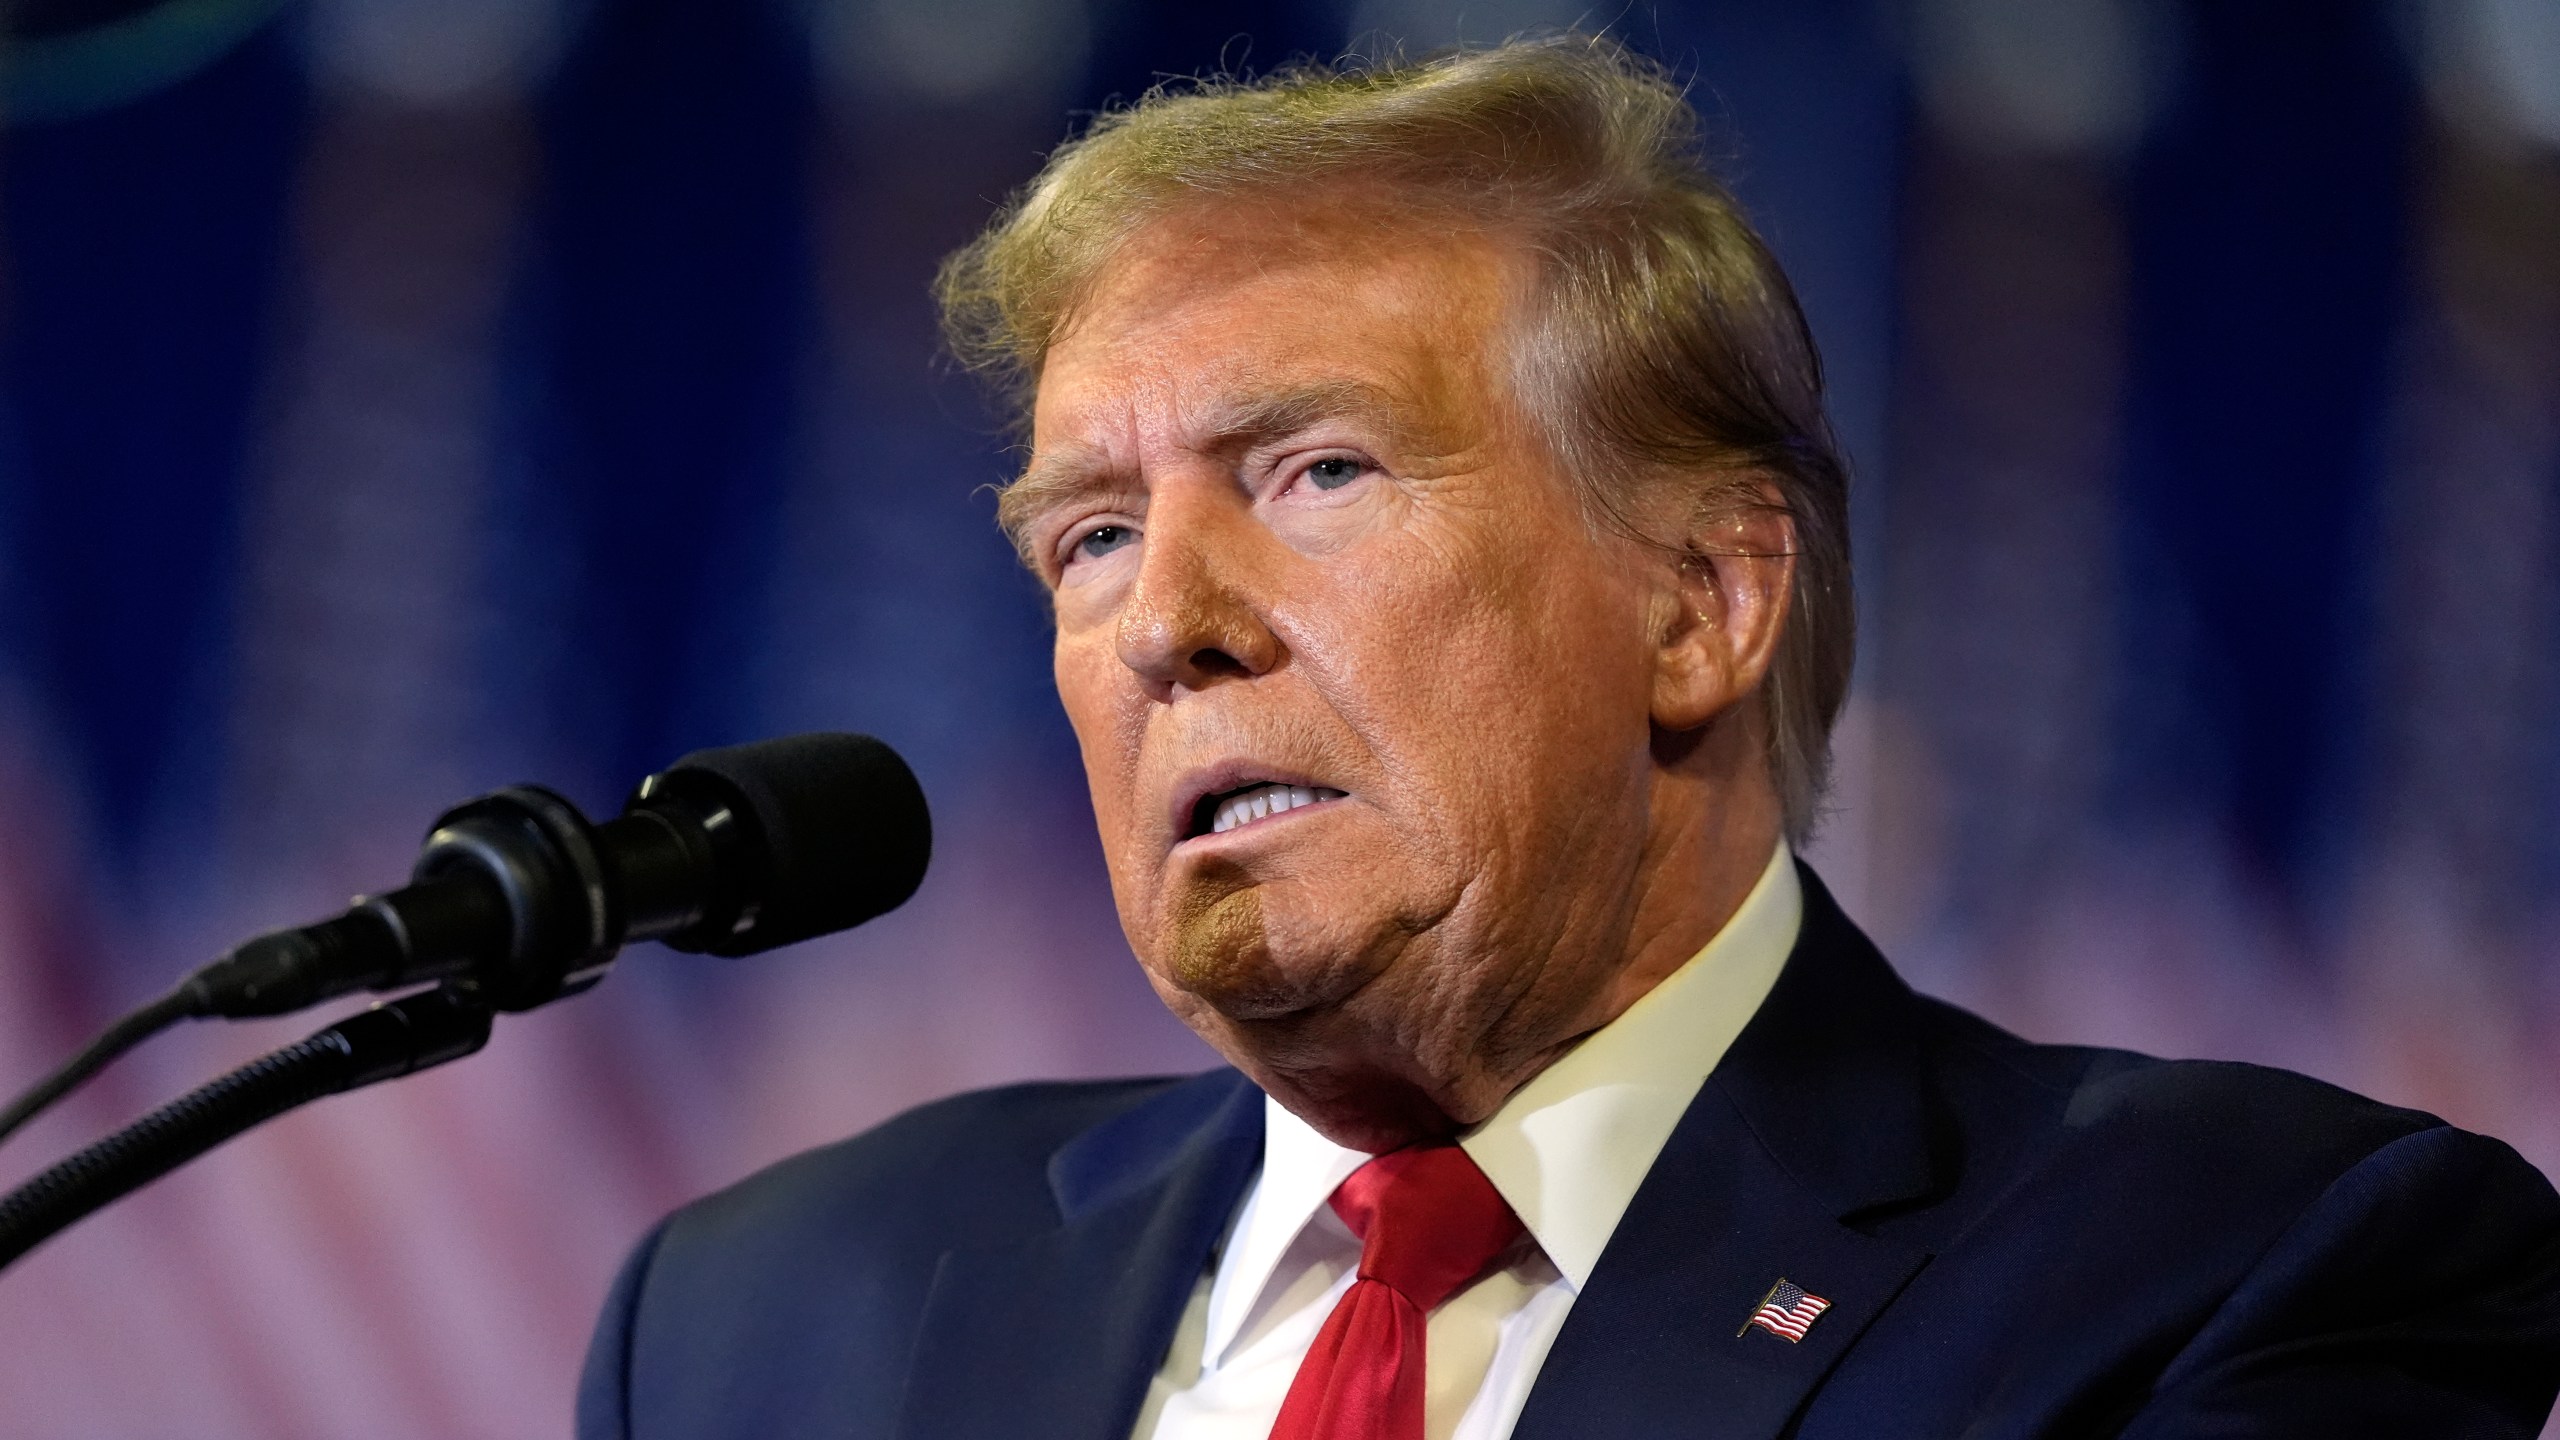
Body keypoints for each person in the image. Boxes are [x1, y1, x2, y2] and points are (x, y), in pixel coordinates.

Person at [575, 37, 2560, 1440]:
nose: (1164, 623)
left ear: (1701, 604)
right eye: (1088, 534)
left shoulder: (2209, 1265)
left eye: (1319, 471)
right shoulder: (763, 1321)